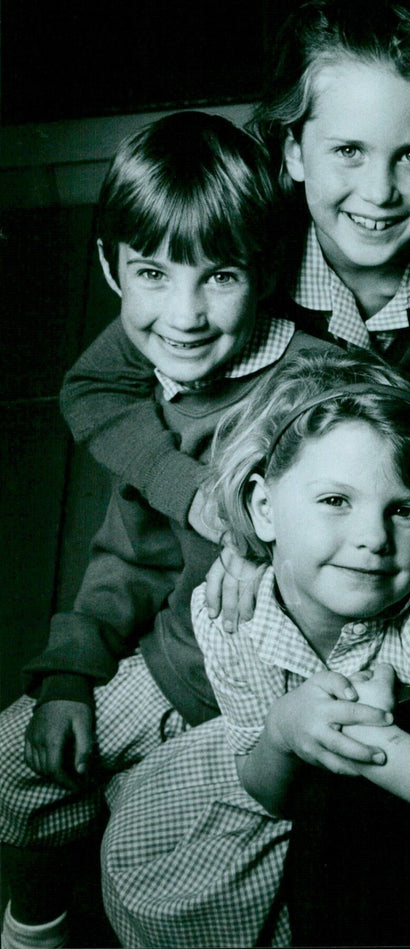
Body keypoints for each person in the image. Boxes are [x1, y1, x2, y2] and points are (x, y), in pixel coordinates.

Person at [100, 351, 410, 948]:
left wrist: (366, 744)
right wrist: (283, 731)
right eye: (336, 500)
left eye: (404, 510)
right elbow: (267, 788)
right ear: (263, 507)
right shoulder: (231, 610)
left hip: (390, 838)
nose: (373, 538)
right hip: (262, 806)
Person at [57, 0, 410, 630]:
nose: (379, 193)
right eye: (348, 150)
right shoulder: (238, 268)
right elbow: (99, 383)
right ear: (292, 150)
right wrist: (218, 507)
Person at [0, 112, 331, 949]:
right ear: (112, 267)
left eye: (218, 276)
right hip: (162, 665)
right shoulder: (162, 374)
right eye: (152, 271)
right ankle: (34, 928)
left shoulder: (317, 387)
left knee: (160, 891)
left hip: (258, 714)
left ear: (263, 270)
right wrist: (72, 669)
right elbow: (133, 545)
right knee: (9, 773)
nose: (182, 314)